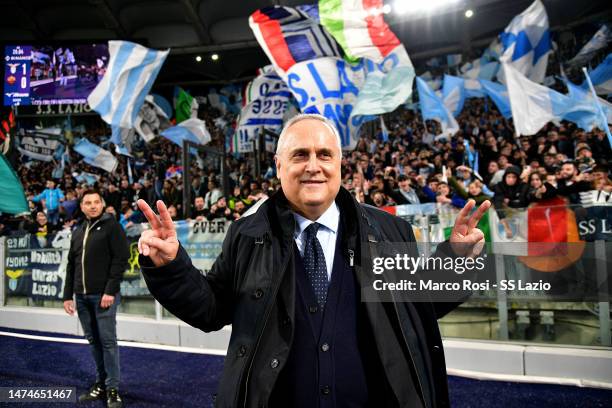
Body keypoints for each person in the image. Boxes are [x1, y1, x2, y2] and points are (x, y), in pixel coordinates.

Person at [136, 114, 489, 408]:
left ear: (339, 163)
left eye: (324, 154)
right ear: (279, 165)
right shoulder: (246, 234)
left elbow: (415, 306)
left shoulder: (389, 230)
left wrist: (454, 261)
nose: (313, 167)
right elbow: (211, 309)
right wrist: (172, 266)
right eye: (300, 155)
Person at [62, 189, 129, 408]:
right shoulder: (79, 231)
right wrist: (67, 296)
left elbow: (121, 259)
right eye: (87, 202)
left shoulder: (112, 227)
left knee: (108, 343)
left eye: (96, 202)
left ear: (102, 204)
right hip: (81, 298)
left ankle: (112, 389)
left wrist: (110, 290)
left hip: (104, 297)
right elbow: (71, 265)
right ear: (81, 206)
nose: (92, 206)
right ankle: (101, 383)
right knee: (94, 342)